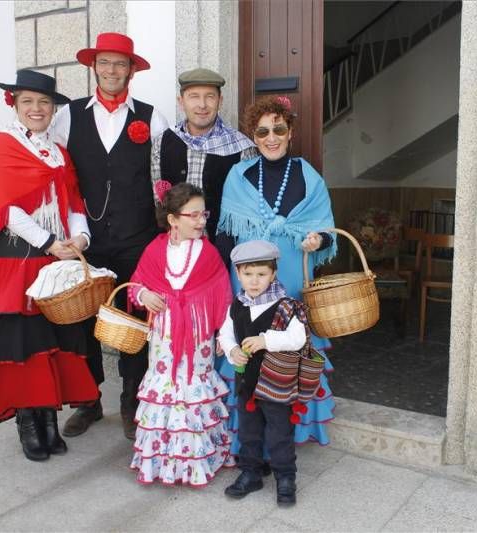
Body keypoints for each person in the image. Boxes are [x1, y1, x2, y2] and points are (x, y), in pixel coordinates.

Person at [0, 69, 99, 462]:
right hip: (16, 260)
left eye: (44, 102)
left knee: (51, 343)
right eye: (28, 102)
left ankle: (48, 420)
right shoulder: (2, 145)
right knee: (21, 343)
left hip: (53, 258)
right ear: (15, 104)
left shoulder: (59, 151)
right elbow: (4, 207)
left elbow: (73, 201)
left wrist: (80, 238)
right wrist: (48, 242)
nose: (37, 109)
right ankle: (27, 422)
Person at [51, 32, 169, 440]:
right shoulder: (68, 116)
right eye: (105, 63)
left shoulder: (152, 118)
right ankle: (89, 401)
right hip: (87, 238)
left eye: (121, 64)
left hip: (137, 239)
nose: (112, 70)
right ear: (94, 67)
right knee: (84, 320)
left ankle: (132, 400)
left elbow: (163, 181)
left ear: (131, 70)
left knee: (133, 318)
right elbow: (58, 176)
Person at [216, 95, 337, 452]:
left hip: (292, 282)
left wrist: (319, 240)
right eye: (263, 130)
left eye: (279, 129)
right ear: (253, 136)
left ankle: (286, 439)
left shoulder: (308, 176)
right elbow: (224, 233)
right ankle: (251, 440)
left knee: (286, 352)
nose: (271, 137)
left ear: (290, 131)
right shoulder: (238, 176)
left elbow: (327, 230)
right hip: (250, 283)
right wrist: (228, 286)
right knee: (250, 353)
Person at [126, 182, 234, 486]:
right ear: (173, 219)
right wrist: (145, 294)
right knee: (166, 388)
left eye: (204, 214)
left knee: (192, 388)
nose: (201, 221)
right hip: (164, 338)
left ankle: (194, 461)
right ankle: (163, 460)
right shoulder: (154, 250)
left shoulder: (208, 253)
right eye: (194, 215)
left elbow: (224, 296)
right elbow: (136, 284)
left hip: (198, 337)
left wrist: (225, 336)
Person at [218, 240, 313, 506]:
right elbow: (226, 333)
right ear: (238, 274)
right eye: (247, 274)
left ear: (273, 273)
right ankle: (251, 472)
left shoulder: (286, 306)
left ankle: (285, 476)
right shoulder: (236, 305)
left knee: (278, 431)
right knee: (249, 429)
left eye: (261, 274)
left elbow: (297, 339)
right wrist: (232, 349)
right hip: (247, 382)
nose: (254, 281)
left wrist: (265, 341)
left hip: (275, 384)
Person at [151, 68, 256, 252]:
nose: (202, 104)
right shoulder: (163, 142)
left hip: (223, 251)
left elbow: (247, 209)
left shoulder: (242, 148)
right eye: (193, 96)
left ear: (220, 101)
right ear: (181, 101)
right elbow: (158, 198)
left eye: (210, 96)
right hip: (174, 250)